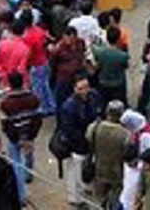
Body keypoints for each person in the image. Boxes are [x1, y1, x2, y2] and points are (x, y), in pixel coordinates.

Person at [57, 75, 103, 206]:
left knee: (87, 167)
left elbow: (99, 112)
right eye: (80, 88)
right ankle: (75, 197)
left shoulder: (94, 96)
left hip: (91, 141)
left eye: (86, 87)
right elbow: (69, 130)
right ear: (74, 89)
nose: (85, 91)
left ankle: (85, 186)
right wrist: (82, 141)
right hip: (76, 145)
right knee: (75, 170)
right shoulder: (69, 107)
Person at [0, 72, 41, 205]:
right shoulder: (33, 98)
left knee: (16, 166)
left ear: (9, 84)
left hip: (14, 138)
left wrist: (14, 137)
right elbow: (38, 119)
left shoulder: (6, 103)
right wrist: (31, 136)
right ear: (23, 82)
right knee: (29, 154)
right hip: (30, 135)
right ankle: (29, 173)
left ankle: (21, 197)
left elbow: (5, 124)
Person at [87, 100, 132, 208]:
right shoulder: (125, 133)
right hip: (117, 172)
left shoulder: (94, 127)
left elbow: (88, 139)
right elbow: (127, 152)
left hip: (99, 169)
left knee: (98, 199)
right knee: (115, 199)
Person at [94, 26, 131, 105]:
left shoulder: (100, 53)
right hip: (118, 84)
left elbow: (98, 65)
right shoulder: (122, 55)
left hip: (103, 83)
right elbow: (126, 66)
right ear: (118, 39)